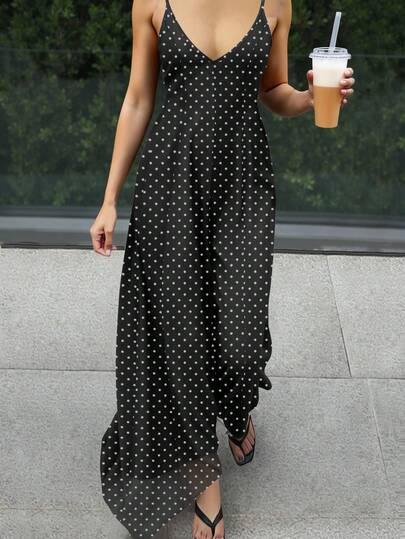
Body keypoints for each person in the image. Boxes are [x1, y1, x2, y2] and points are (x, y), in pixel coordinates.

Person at [90, 1, 355, 538]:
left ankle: (236, 405)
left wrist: (308, 98)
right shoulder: (152, 2)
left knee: (239, 338)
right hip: (171, 182)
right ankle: (204, 479)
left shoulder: (274, 3)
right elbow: (139, 98)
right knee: (181, 337)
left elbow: (273, 90)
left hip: (242, 184)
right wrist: (110, 199)